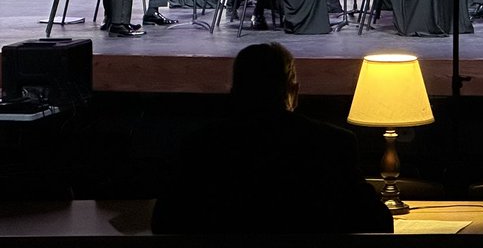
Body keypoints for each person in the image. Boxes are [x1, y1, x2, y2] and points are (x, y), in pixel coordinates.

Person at [151, 42, 393, 234]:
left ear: (235, 90)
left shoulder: (202, 145)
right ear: (292, 89)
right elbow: (378, 222)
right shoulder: (333, 144)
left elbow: (165, 221)